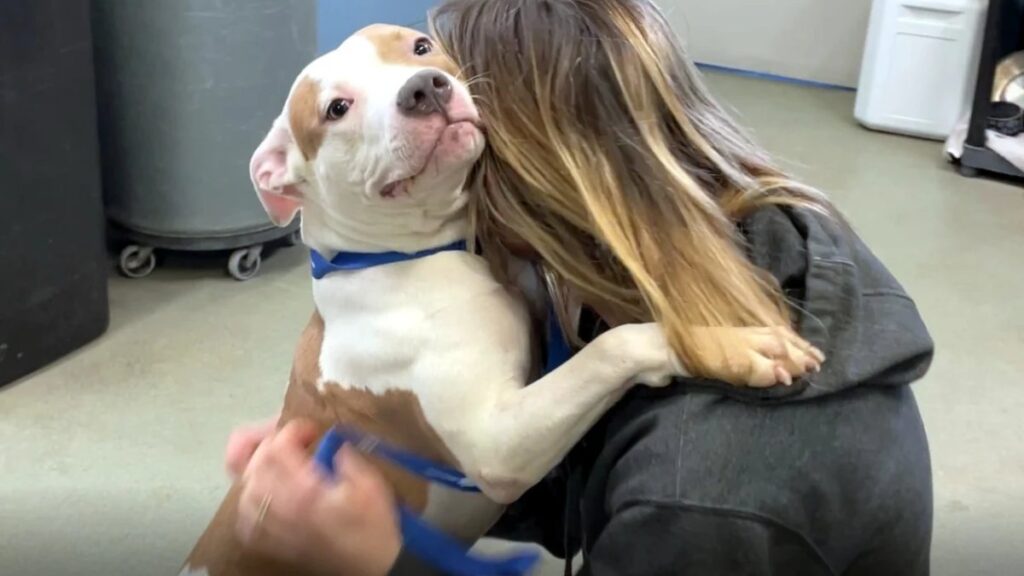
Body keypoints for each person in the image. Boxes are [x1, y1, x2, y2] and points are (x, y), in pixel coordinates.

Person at [229, 0, 935, 574]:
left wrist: (383, 558)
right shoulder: (781, 236)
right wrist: (401, 471)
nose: (429, 92)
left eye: (426, 59)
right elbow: (554, 459)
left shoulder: (696, 503)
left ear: (530, 186)